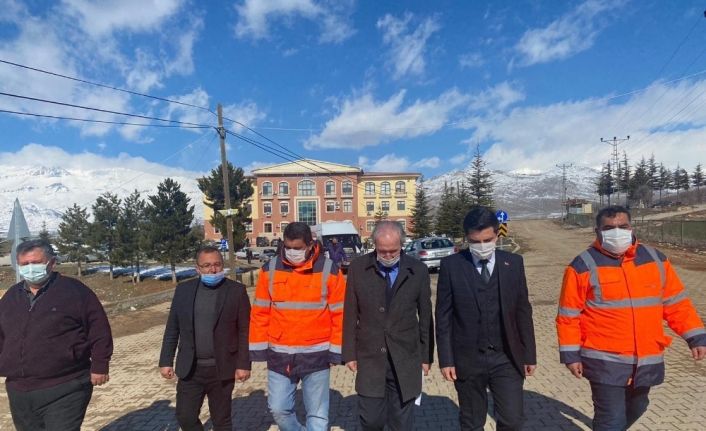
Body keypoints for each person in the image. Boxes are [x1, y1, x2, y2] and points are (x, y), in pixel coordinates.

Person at [557, 205, 706, 430]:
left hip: (645, 358)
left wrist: (695, 337)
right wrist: (571, 356)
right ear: (597, 231)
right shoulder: (581, 266)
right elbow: (568, 316)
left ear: (631, 227)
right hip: (604, 361)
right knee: (611, 420)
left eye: (622, 226)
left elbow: (676, 304)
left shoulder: (656, 259)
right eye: (609, 228)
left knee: (639, 406)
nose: (616, 232)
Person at [436, 207, 537, 431]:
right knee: (472, 423)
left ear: (497, 235)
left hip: (507, 357)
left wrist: (529, 354)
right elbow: (443, 317)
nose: (482, 246)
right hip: (468, 359)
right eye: (475, 241)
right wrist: (446, 359)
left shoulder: (514, 263)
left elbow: (523, 311)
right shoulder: (451, 266)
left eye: (487, 240)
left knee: (513, 420)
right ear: (467, 239)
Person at [0, 239, 113, 431]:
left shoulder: (75, 291)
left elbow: (99, 329)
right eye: (24, 264)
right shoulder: (11, 296)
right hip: (19, 391)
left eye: (35, 263)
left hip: (66, 385)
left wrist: (100, 365)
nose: (30, 268)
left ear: (51, 263)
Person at [249, 222, 346, 431]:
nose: (292, 252)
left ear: (310, 245)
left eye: (298, 248)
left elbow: (340, 314)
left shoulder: (329, 270)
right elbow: (260, 312)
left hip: (317, 353)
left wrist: (337, 352)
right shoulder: (270, 269)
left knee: (318, 416)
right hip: (280, 354)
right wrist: (258, 350)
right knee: (278, 409)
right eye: (288, 247)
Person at [342, 221, 434, 430]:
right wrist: (349, 353)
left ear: (402, 245)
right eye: (382, 251)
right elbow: (350, 313)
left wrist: (426, 357)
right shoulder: (358, 268)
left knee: (401, 422)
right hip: (370, 357)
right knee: (371, 420)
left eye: (393, 251)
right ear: (374, 245)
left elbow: (426, 317)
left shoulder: (417, 270)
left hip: (405, 357)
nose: (388, 256)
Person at [159, 245, 251, 431]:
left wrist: (243, 364)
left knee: (221, 420)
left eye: (217, 264)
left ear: (222, 265)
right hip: (191, 368)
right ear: (197, 268)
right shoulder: (183, 291)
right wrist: (165, 361)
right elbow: (172, 328)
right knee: (185, 416)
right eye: (207, 265)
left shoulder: (236, 291)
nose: (213, 269)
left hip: (222, 368)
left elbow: (245, 331)